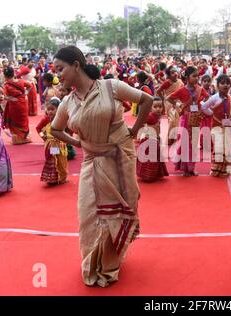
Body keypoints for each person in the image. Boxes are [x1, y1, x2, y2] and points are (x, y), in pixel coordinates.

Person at [50, 46, 153, 288]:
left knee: (117, 212)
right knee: (88, 215)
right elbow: (55, 129)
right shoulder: (67, 102)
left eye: (60, 69)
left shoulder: (111, 86)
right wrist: (77, 141)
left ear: (77, 65)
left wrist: (135, 129)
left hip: (120, 157)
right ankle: (92, 264)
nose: (58, 75)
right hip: (91, 161)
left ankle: (109, 265)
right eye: (55, 71)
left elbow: (147, 99)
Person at [166, 66, 208, 176]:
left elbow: (207, 98)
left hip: (196, 119)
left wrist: (201, 106)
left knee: (193, 144)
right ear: (187, 77)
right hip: (185, 119)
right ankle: (185, 168)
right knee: (185, 143)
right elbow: (169, 98)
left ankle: (191, 168)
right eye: (194, 76)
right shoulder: (182, 90)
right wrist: (179, 105)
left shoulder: (200, 89)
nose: (196, 78)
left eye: (197, 76)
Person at [201, 74, 231, 177]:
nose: (225, 85)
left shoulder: (229, 97)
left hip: (227, 126)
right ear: (217, 85)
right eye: (222, 83)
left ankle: (224, 170)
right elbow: (203, 107)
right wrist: (211, 113)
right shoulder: (214, 98)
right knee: (219, 147)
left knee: (227, 148)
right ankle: (216, 170)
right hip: (216, 126)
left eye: (227, 83)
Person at [36, 97, 68, 185]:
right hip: (52, 145)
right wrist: (43, 136)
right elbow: (38, 128)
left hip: (61, 144)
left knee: (62, 160)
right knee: (54, 159)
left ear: (58, 109)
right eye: (48, 109)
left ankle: (62, 177)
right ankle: (53, 179)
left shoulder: (62, 118)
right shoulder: (46, 119)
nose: (50, 111)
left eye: (52, 109)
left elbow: (68, 129)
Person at [136, 97, 169, 182]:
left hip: (155, 140)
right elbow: (140, 121)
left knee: (154, 159)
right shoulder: (149, 116)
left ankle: (153, 175)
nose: (158, 109)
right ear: (150, 107)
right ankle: (148, 177)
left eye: (160, 106)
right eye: (155, 107)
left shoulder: (157, 116)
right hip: (148, 141)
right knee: (150, 160)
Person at [3, 66, 32, 145]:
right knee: (23, 119)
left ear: (5, 76)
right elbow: (30, 85)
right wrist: (26, 93)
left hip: (14, 105)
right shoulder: (21, 81)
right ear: (13, 74)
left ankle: (17, 140)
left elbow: (3, 96)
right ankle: (25, 138)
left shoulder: (6, 85)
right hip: (23, 102)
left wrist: (10, 98)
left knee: (15, 121)